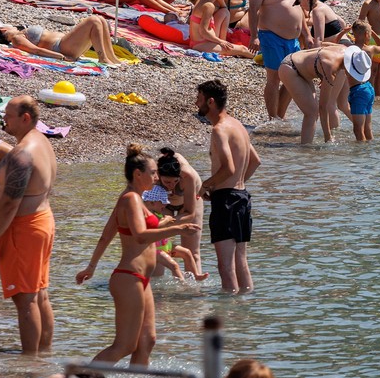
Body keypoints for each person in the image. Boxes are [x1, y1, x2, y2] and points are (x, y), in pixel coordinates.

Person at [77, 144, 198, 367]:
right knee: (124, 346)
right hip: (129, 277)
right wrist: (178, 229)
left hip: (141, 279)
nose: (156, 177)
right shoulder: (130, 199)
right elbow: (141, 236)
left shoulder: (135, 199)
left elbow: (107, 235)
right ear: (137, 174)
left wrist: (91, 267)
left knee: (147, 341)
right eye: (152, 172)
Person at [0, 96, 57, 355]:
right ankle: (45, 354)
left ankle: (30, 362)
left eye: (8, 115)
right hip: (43, 221)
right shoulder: (43, 143)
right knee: (39, 293)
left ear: (25, 118)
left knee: (24, 299)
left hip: (23, 229)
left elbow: (10, 204)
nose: (4, 118)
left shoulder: (23, 154)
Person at [196, 80, 260, 292]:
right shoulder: (238, 125)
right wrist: (234, 185)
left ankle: (229, 316)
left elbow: (228, 168)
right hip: (241, 197)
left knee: (225, 266)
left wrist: (206, 185)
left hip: (226, 202)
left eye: (199, 99)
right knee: (241, 262)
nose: (196, 103)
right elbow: (255, 161)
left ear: (211, 101)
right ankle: (244, 309)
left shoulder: (219, 130)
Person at [279, 45, 372, 144]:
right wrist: (328, 138)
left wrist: (320, 70)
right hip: (290, 68)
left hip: (299, 62)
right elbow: (323, 107)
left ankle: (306, 149)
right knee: (311, 113)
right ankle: (305, 152)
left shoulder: (344, 49)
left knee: (313, 112)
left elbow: (323, 50)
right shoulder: (330, 70)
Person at [0, 16, 124, 65]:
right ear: (3, 30)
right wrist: (61, 57)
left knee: (100, 20)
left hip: (66, 44)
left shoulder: (20, 34)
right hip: (62, 47)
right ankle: (103, 58)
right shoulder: (16, 38)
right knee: (93, 20)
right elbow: (36, 50)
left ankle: (111, 57)